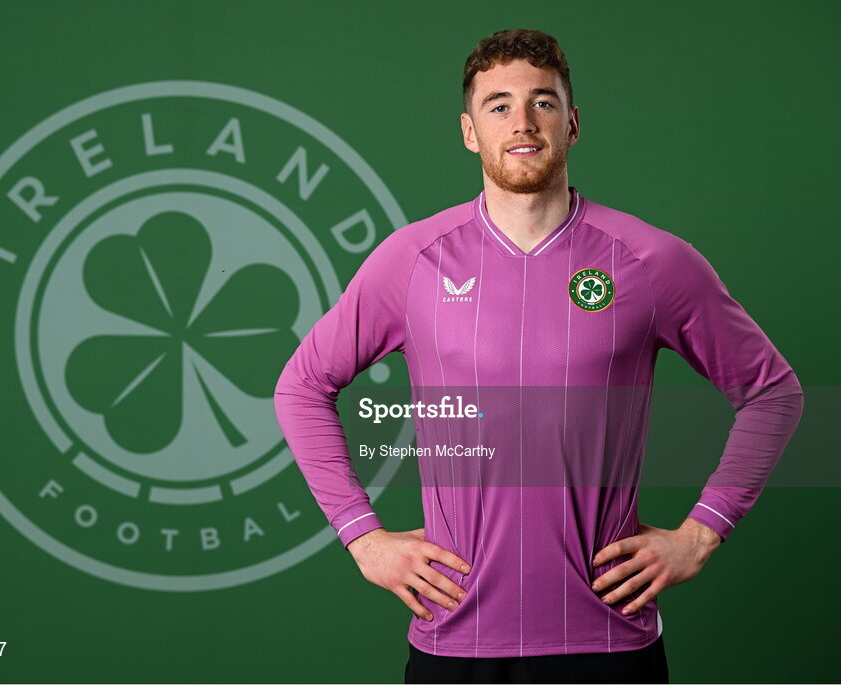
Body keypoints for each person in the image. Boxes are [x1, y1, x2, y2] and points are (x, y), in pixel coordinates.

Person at [274, 28, 803, 684]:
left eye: (542, 102)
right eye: (498, 105)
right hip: (454, 642)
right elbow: (301, 385)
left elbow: (771, 391)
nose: (521, 121)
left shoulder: (650, 260)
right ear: (469, 131)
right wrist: (361, 535)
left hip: (610, 644)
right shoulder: (411, 261)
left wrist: (700, 533)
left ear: (572, 123)